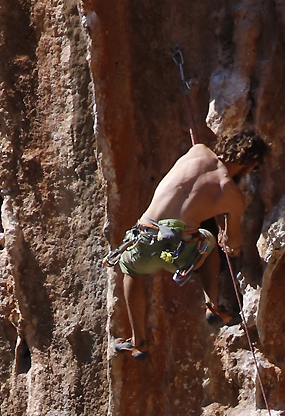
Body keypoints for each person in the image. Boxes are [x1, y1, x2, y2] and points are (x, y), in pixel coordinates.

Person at [108, 131, 268, 360]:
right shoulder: (232, 195)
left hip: (143, 237)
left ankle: (138, 342)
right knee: (208, 241)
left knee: (130, 270)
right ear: (250, 163)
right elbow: (233, 243)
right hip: (178, 250)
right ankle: (213, 307)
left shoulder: (198, 150)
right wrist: (230, 242)